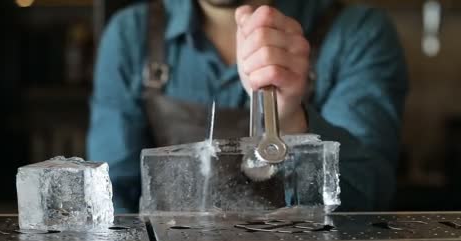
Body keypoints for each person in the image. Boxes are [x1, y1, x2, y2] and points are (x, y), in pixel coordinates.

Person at [87, 0, 408, 213]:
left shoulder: (358, 33)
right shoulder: (131, 35)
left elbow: (369, 200)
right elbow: (112, 197)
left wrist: (292, 121)